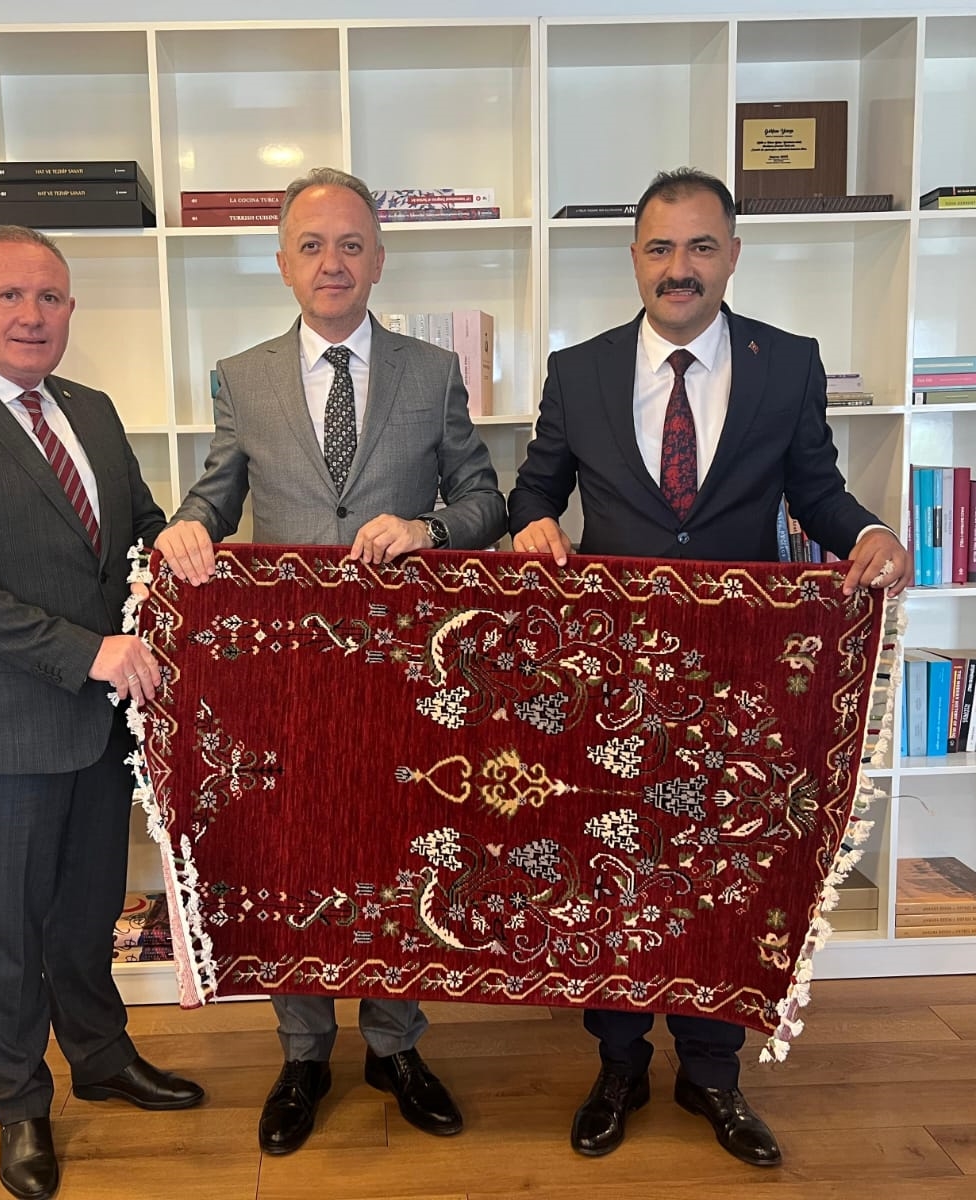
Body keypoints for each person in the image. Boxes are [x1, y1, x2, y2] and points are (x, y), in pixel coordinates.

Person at [509, 167, 910, 1168]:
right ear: (634, 259)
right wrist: (530, 527)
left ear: (732, 255)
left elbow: (816, 489)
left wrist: (868, 533)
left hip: (742, 670)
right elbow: (535, 490)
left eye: (699, 246)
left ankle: (712, 1075)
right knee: (612, 866)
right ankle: (617, 1068)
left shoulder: (789, 363)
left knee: (723, 868)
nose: (678, 267)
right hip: (610, 674)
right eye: (659, 247)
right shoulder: (578, 370)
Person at [154, 166, 507, 1156]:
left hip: (406, 672)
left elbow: (485, 502)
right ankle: (303, 1053)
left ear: (379, 260)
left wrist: (427, 527)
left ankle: (395, 1046)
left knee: (400, 849)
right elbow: (217, 493)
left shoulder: (431, 371)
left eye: (351, 244)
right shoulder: (243, 375)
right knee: (297, 853)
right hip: (290, 671)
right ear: (282, 263)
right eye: (311, 245)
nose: (332, 262)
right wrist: (187, 526)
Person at [0, 225, 204, 1200]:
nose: (31, 315)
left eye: (49, 297)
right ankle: (19, 1106)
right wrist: (88, 651)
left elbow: (134, 531)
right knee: (6, 930)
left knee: (89, 911)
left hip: (100, 722)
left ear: (69, 310)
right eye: (9, 295)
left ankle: (101, 1058)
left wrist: (177, 537)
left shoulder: (90, 410)